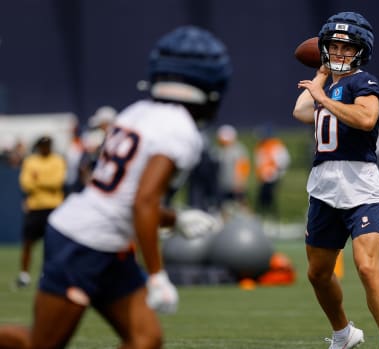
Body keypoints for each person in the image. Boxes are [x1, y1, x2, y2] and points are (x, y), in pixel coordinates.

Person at [0, 25, 232, 349]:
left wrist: (175, 220)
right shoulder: (180, 130)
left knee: (145, 339)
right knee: (41, 344)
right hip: (81, 243)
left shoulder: (137, 111)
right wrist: (156, 274)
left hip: (105, 241)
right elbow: (142, 202)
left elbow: (123, 197)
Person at [293, 11, 379, 349]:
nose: (338, 53)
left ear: (360, 51)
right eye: (333, 47)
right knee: (318, 273)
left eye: (346, 48)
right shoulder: (329, 84)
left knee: (366, 268)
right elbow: (300, 111)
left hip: (361, 186)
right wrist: (321, 78)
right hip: (324, 186)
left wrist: (323, 97)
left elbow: (366, 119)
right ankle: (343, 333)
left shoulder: (363, 82)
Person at [15, 136, 66, 288]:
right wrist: (44, 183)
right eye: (42, 146)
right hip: (35, 207)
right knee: (28, 242)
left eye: (47, 145)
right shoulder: (31, 161)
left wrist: (38, 180)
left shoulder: (57, 160)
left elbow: (57, 182)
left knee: (53, 243)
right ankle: (24, 275)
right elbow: (25, 183)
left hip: (54, 207)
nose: (45, 148)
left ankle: (51, 274)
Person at [253, 125, 290, 219]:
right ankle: (264, 214)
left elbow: (284, 161)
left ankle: (272, 215)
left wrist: (276, 173)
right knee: (262, 197)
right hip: (263, 177)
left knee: (269, 196)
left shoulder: (276, 145)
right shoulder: (260, 146)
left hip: (272, 176)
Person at [214, 124, 250, 209]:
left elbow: (243, 167)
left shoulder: (238, 150)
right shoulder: (218, 150)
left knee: (241, 205)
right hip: (222, 185)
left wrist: (240, 182)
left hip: (235, 185)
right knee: (222, 206)